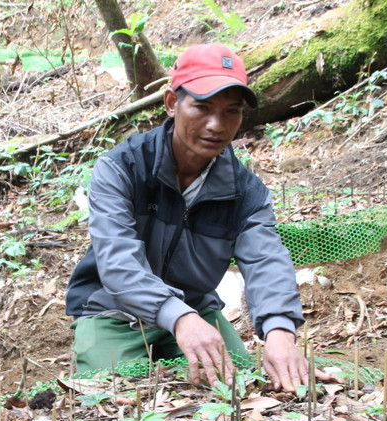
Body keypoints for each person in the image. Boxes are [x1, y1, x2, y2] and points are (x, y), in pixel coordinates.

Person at [65, 43, 310, 392]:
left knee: (237, 391)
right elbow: (117, 261)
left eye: (231, 112)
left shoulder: (245, 192)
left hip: (196, 308)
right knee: (113, 399)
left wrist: (280, 331)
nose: (216, 125)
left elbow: (266, 260)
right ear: (171, 104)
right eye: (202, 107)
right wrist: (178, 317)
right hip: (114, 311)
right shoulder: (122, 168)